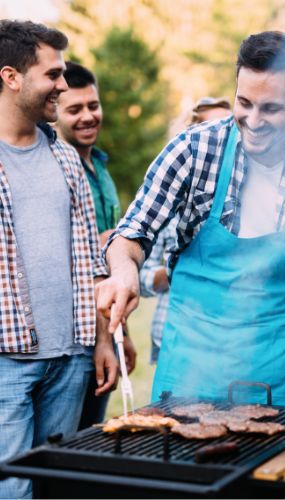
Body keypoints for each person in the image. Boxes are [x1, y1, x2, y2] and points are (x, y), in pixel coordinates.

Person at [97, 31, 285, 407]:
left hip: (271, 367)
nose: (253, 121)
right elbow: (132, 234)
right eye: (244, 103)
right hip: (188, 363)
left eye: (271, 108)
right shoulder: (192, 148)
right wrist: (124, 271)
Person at [0, 20, 117, 499]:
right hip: (6, 361)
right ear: (11, 77)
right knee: (13, 491)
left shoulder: (66, 157)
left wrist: (103, 340)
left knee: (60, 488)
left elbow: (93, 259)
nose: (63, 85)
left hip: (71, 360)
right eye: (52, 75)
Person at [55, 61, 136, 429]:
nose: (88, 116)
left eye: (93, 105)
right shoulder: (55, 168)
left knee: (90, 435)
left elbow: (113, 266)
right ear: (54, 111)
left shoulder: (101, 168)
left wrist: (123, 336)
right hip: (70, 338)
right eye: (74, 109)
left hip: (106, 330)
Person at [139, 97, 232, 364]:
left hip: (228, 343)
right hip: (172, 339)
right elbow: (142, 278)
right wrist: (180, 270)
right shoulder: (166, 204)